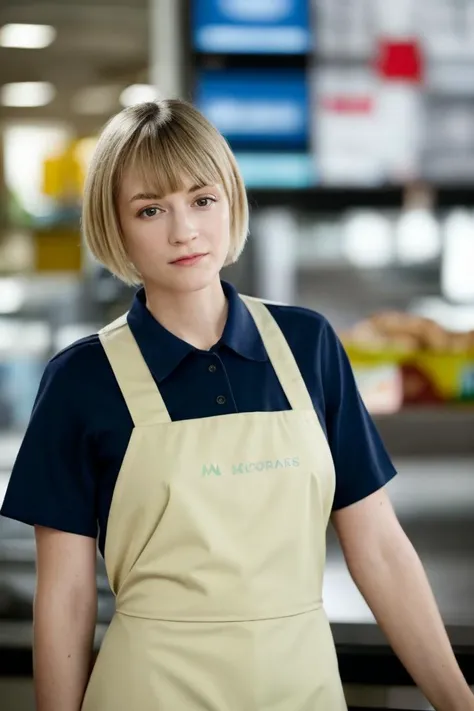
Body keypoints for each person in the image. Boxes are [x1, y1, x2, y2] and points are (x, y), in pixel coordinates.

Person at [1, 99, 472, 711]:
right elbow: (64, 596)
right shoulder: (80, 380)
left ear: (230, 200)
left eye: (202, 199)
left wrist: (459, 701)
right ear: (115, 228)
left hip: (303, 689)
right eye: (151, 210)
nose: (184, 230)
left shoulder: (309, 345)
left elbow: (379, 548)